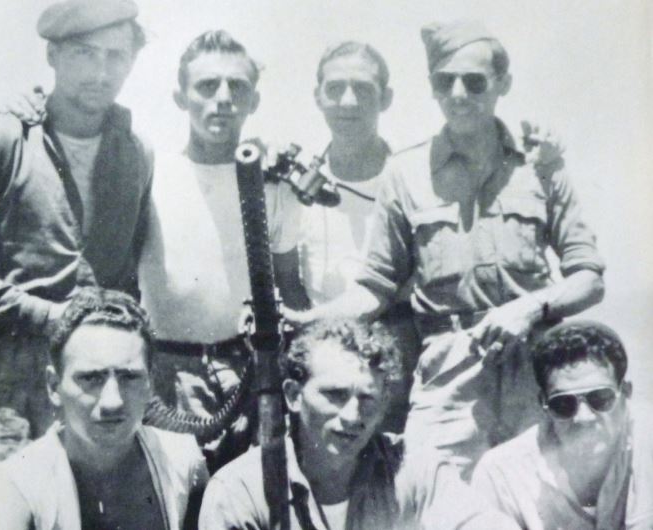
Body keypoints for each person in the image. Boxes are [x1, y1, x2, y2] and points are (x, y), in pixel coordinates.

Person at [288, 20, 605, 477]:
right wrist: (312, 319)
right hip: (448, 372)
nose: (458, 94)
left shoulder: (539, 166)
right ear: (432, 87)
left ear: (503, 84)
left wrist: (531, 308)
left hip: (534, 368)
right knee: (426, 491)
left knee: (541, 497)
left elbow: (589, 278)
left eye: (474, 82)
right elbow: (376, 286)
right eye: (444, 81)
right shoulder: (406, 173)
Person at [0, 0, 153, 504]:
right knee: (4, 509)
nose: (101, 71)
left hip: (102, 391)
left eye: (115, 56)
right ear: (53, 55)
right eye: (84, 53)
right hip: (12, 388)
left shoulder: (135, 154)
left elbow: (131, 276)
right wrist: (46, 315)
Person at [138, 30, 307, 471]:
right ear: (180, 97)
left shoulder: (273, 183)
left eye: (238, 87)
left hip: (250, 373)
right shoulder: (150, 175)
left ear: (254, 101)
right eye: (207, 86)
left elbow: (289, 283)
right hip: (167, 374)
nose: (224, 99)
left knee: (248, 494)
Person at [199, 318, 519, 529]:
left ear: (384, 404)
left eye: (367, 399)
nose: (352, 416)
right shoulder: (240, 492)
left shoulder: (414, 469)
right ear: (294, 396)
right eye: (335, 395)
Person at [0, 288, 208, 530]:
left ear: (151, 383)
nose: (112, 402)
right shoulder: (13, 487)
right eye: (91, 379)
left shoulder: (183, 462)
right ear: (54, 387)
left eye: (129, 377)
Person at [298, 41, 421, 433]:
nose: (348, 101)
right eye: (335, 88)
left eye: (363, 89)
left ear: (386, 98)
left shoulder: (416, 180)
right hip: (319, 362)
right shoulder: (293, 183)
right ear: (317, 96)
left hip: (399, 362)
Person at [472, 320, 653, 529]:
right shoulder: (501, 473)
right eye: (564, 404)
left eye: (600, 398)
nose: (584, 417)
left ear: (626, 393)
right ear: (543, 404)